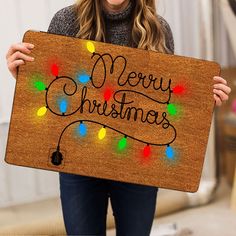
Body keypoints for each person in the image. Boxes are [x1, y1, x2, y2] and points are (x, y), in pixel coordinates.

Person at [6, 0, 231, 235]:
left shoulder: (157, 29)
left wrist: (201, 104)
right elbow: (52, 91)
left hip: (138, 167)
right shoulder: (67, 21)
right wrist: (24, 77)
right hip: (79, 163)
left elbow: (165, 108)